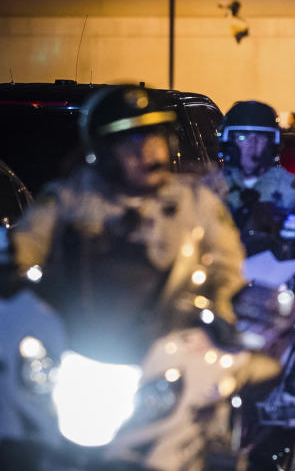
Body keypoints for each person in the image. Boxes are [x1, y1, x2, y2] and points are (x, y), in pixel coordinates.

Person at [13, 85, 248, 331]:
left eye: (155, 136)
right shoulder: (70, 198)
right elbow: (25, 248)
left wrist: (222, 308)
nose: (147, 151)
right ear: (104, 152)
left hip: (173, 334)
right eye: (132, 141)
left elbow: (228, 267)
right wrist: (11, 281)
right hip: (82, 331)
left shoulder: (196, 200)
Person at [219, 100, 295, 229]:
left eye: (261, 138)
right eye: (243, 137)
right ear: (229, 142)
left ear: (271, 144)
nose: (253, 145)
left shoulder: (287, 186)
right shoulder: (213, 186)